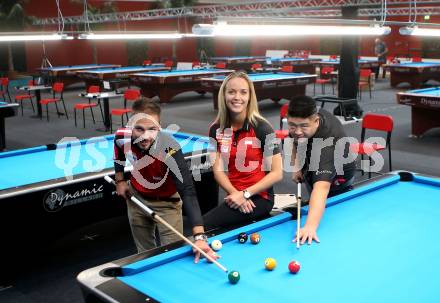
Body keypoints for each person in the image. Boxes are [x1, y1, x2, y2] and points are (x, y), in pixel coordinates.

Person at [113, 97, 216, 262]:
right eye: (139, 129)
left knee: (171, 257)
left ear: (159, 127)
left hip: (167, 205)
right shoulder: (121, 136)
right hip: (136, 199)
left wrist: (199, 236)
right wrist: (120, 180)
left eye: (152, 129)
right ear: (130, 126)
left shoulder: (170, 149)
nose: (145, 136)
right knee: (144, 255)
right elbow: (118, 151)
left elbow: (187, 191)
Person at [203, 71, 283, 230]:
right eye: (231, 92)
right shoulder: (215, 129)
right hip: (234, 195)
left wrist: (244, 194)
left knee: (204, 225)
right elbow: (217, 170)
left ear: (249, 96)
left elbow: (277, 173)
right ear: (223, 95)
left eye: (243, 92)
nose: (237, 97)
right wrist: (235, 194)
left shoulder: (263, 128)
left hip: (260, 197)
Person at [287, 95, 356, 246]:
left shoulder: (327, 145)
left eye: (304, 126)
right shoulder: (305, 118)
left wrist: (310, 227)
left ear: (316, 121)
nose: (297, 131)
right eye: (292, 125)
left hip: (339, 182)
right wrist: (297, 166)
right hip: (313, 163)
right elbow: (293, 138)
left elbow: (322, 188)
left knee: (330, 205)